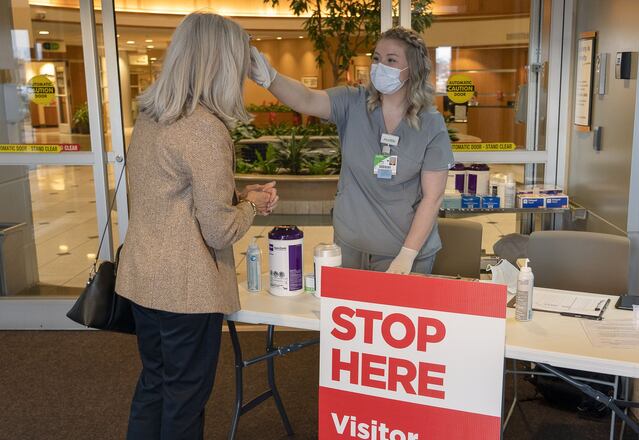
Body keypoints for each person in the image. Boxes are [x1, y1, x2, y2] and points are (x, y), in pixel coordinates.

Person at [115, 12, 277, 439]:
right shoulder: (204, 129)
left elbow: (173, 191)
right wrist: (252, 204)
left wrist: (236, 196)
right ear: (220, 64)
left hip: (142, 276)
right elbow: (219, 230)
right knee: (185, 399)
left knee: (154, 384)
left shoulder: (152, 115)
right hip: (186, 288)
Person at [249, 27, 453, 274]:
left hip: (403, 251)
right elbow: (307, 99)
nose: (380, 66)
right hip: (349, 247)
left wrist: (407, 255)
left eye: (391, 60)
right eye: (376, 58)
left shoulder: (430, 123)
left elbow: (433, 198)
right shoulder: (353, 103)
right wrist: (271, 78)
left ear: (413, 69)